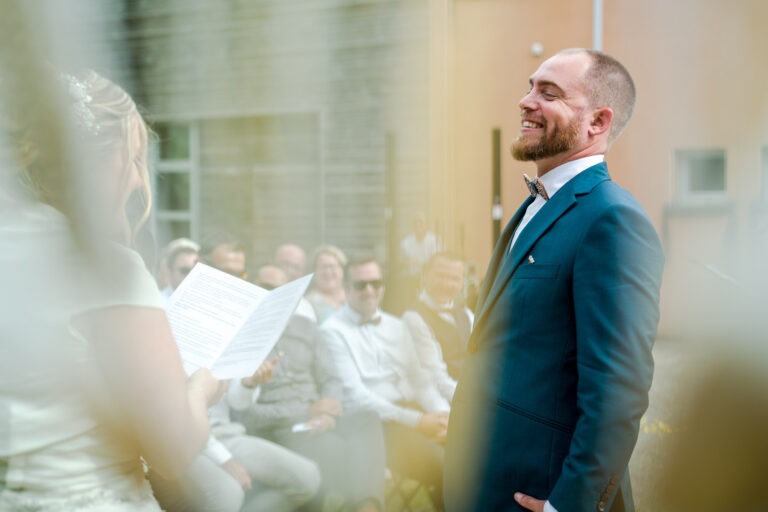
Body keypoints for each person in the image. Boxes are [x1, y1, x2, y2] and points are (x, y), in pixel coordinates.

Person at [443, 48, 665, 512]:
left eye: (549, 93)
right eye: (529, 87)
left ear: (597, 122)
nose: (526, 101)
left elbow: (618, 391)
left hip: (542, 493)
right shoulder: (532, 206)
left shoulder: (612, 219)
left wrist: (570, 504)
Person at [0, 69, 223, 510]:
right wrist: (201, 389)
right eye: (134, 160)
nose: (139, 182)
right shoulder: (104, 268)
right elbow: (173, 452)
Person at [238, 268, 386, 512]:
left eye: (281, 290)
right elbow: (245, 414)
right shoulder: (241, 338)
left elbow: (331, 378)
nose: (272, 295)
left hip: (321, 418)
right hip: (279, 429)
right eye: (265, 287)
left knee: (367, 418)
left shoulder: (305, 327)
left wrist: (327, 411)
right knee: (344, 453)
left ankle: (366, 508)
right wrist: (307, 411)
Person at [319, 255, 450, 509]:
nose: (369, 290)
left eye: (375, 283)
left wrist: (444, 415)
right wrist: (419, 422)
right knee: (452, 469)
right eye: (360, 285)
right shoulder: (331, 331)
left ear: (383, 287)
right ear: (346, 288)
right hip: (373, 427)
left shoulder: (397, 326)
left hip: (414, 413)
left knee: (475, 457)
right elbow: (355, 395)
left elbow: (420, 381)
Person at [401, 252, 473, 403]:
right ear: (425, 276)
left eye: (455, 279)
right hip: (440, 402)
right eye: (441, 276)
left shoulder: (466, 314)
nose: (447, 284)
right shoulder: (413, 318)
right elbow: (434, 376)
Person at [304, 244, 347, 323]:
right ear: (315, 271)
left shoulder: (354, 296)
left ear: (342, 269)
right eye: (323, 267)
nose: (328, 272)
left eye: (332, 266)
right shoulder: (308, 303)